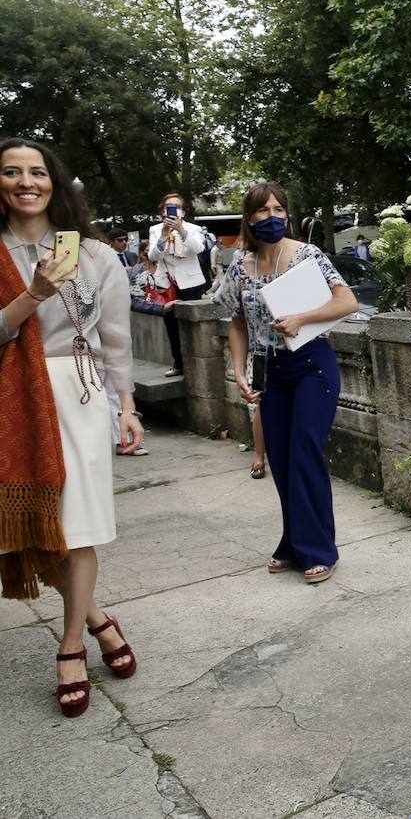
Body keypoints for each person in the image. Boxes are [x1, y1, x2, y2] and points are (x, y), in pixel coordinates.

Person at [0, 138, 143, 718]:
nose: (25, 181)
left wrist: (127, 407)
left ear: (55, 182)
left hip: (78, 394)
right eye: (11, 172)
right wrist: (32, 295)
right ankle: (100, 619)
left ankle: (71, 646)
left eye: (37, 172)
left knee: (75, 529)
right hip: (12, 400)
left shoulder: (94, 257)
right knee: (32, 532)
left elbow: (116, 340)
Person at [216, 182, 357, 584]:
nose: (272, 216)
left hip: (312, 365)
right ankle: (293, 542)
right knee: (278, 456)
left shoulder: (306, 255)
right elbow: (237, 321)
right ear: (249, 217)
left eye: (279, 209)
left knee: (304, 452)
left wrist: (301, 318)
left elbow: (346, 302)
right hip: (269, 371)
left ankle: (319, 550)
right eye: (263, 210)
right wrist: (240, 372)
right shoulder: (239, 265)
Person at [148, 193, 207, 376]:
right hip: (167, 284)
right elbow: (152, 257)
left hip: (191, 283)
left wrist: (181, 230)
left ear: (183, 211)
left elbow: (198, 249)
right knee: (171, 325)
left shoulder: (193, 229)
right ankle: (178, 363)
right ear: (162, 210)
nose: (173, 210)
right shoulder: (156, 230)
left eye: (177, 206)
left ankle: (198, 364)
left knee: (194, 326)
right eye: (168, 207)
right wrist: (164, 236)